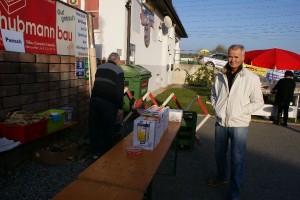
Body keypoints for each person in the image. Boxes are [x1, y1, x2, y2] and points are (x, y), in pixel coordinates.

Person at [209, 44, 264, 200]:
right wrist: (217, 108)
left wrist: (241, 111)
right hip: (221, 122)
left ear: (242, 58)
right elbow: (213, 94)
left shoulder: (251, 78)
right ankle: (222, 177)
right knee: (219, 153)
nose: (232, 60)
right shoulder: (220, 75)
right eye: (230, 56)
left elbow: (258, 102)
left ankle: (234, 192)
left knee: (237, 159)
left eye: (236, 57)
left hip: (239, 124)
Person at [89, 52, 124, 159]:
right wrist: (119, 107)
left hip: (94, 100)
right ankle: (106, 154)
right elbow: (119, 91)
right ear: (117, 61)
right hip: (108, 103)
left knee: (95, 127)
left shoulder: (100, 68)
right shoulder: (119, 71)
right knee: (107, 128)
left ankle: (95, 152)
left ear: (108, 59)